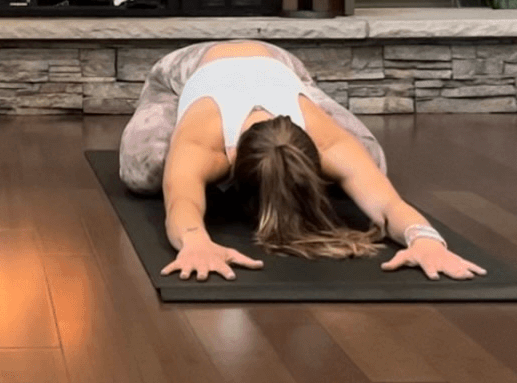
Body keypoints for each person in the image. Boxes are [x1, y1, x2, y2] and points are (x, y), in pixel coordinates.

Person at [119, 39, 486, 282]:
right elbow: (181, 203)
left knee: (370, 159)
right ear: (229, 165)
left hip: (278, 62)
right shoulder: (205, 142)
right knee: (146, 172)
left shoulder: (323, 137)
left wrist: (425, 241)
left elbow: (390, 205)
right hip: (189, 67)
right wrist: (195, 242)